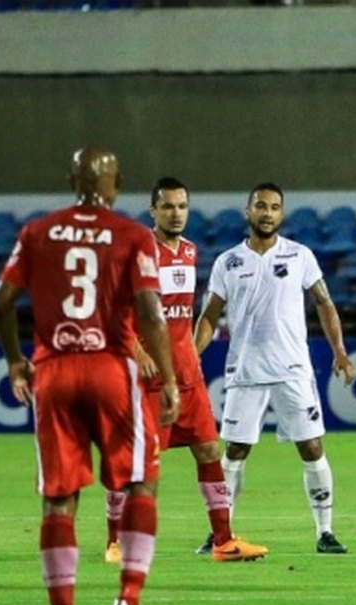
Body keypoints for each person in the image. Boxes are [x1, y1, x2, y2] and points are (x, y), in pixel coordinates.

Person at [0, 148, 179, 605]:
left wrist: (14, 360)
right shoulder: (133, 236)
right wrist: (170, 378)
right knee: (141, 481)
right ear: (116, 182)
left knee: (59, 500)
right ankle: (129, 600)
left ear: (72, 179)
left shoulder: (37, 232)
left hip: (53, 372)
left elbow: (2, 302)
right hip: (110, 369)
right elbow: (150, 311)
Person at [104, 177, 268, 564]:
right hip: (147, 379)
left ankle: (224, 541)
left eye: (181, 206)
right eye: (167, 207)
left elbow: (183, 314)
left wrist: (191, 353)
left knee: (210, 449)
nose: (175, 214)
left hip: (185, 375)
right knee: (136, 462)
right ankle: (115, 540)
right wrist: (135, 350)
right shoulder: (136, 252)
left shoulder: (191, 252)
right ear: (153, 211)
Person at [194, 182, 356, 554]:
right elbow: (209, 317)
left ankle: (325, 532)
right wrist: (191, 355)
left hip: (292, 369)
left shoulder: (300, 256)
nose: (267, 213)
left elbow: (325, 303)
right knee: (234, 450)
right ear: (247, 212)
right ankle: (221, 532)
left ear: (281, 214)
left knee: (312, 446)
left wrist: (340, 352)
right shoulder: (228, 262)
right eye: (260, 206)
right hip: (245, 371)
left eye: (274, 207)